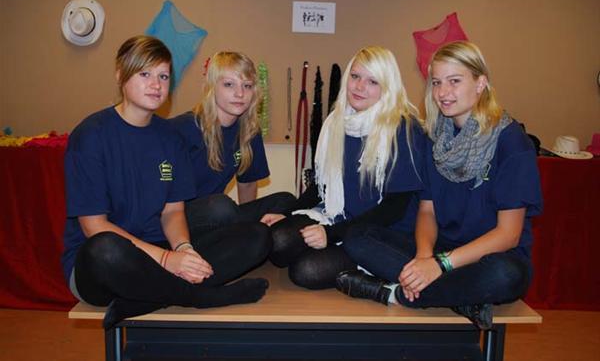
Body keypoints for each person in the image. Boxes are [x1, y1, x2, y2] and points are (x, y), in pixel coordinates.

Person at [61, 36, 269, 329]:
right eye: (144, 74)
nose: (156, 85)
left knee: (257, 236)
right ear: (120, 76)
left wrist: (183, 248)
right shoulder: (91, 135)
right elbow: (94, 226)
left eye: (163, 76)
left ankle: (146, 300)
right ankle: (200, 297)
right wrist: (166, 260)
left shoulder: (170, 136)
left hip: (158, 248)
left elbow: (173, 211)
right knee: (105, 248)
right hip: (104, 264)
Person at [336, 41, 542, 330]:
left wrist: (440, 265)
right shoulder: (435, 137)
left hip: (489, 257)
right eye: (436, 83)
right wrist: (424, 258)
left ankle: (394, 295)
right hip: (440, 250)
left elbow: (508, 235)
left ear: (480, 83)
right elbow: (427, 211)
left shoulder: (511, 142)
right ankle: (461, 299)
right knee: (358, 236)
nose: (443, 93)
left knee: (506, 275)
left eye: (454, 81)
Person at [262, 46, 426, 290]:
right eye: (355, 76)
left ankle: (377, 274)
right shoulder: (335, 122)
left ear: (387, 87)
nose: (359, 87)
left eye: (372, 81)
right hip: (337, 216)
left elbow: (394, 210)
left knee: (306, 271)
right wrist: (288, 213)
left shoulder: (403, 128)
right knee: (277, 242)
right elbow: (321, 186)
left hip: (379, 232)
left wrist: (331, 235)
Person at [169, 51, 295, 232]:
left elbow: (248, 183)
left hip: (218, 213)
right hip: (179, 218)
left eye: (247, 86)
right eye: (229, 84)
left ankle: (243, 236)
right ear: (212, 87)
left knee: (286, 201)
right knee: (221, 206)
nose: (240, 93)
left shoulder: (250, 131)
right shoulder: (181, 129)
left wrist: (247, 227)